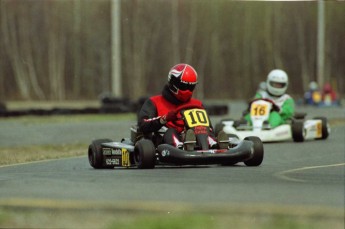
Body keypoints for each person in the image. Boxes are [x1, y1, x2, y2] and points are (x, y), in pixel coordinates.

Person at [137, 63, 227, 150]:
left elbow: (209, 128)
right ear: (173, 83)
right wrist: (163, 119)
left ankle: (214, 144)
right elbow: (143, 125)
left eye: (190, 87)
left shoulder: (197, 104)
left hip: (193, 138)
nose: (187, 91)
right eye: (184, 86)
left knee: (203, 128)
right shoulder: (154, 102)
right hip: (164, 141)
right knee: (171, 131)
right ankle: (181, 147)